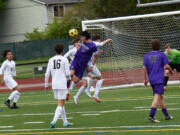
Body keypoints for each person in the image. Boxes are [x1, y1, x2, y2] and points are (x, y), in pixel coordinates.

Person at [73, 35, 112, 104]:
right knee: (100, 78)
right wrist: (108, 40)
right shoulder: (94, 44)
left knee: (86, 83)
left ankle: (77, 96)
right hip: (87, 64)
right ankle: (95, 95)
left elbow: (94, 55)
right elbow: (101, 45)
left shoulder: (87, 45)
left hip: (82, 64)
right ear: (98, 40)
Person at [143, 39, 173, 123]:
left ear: (151, 46)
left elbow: (144, 68)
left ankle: (167, 115)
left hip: (152, 80)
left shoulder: (146, 55)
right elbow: (166, 65)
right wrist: (171, 71)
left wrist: (145, 79)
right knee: (157, 97)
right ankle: (151, 116)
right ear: (159, 46)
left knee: (161, 97)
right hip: (159, 80)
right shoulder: (161, 54)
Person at [45, 44, 73, 128]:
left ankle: (65, 122)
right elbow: (68, 73)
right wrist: (69, 80)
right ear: (62, 50)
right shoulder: (64, 59)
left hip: (54, 84)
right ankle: (53, 121)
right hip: (62, 84)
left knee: (61, 103)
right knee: (60, 104)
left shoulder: (51, 59)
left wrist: (46, 84)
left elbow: (47, 74)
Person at [68, 31, 98, 97]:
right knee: (71, 74)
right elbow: (76, 42)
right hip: (76, 60)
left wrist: (92, 65)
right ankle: (65, 88)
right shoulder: (82, 42)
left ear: (85, 37)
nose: (81, 38)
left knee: (76, 80)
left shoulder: (93, 45)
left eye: (82, 37)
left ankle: (69, 89)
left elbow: (96, 56)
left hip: (83, 64)